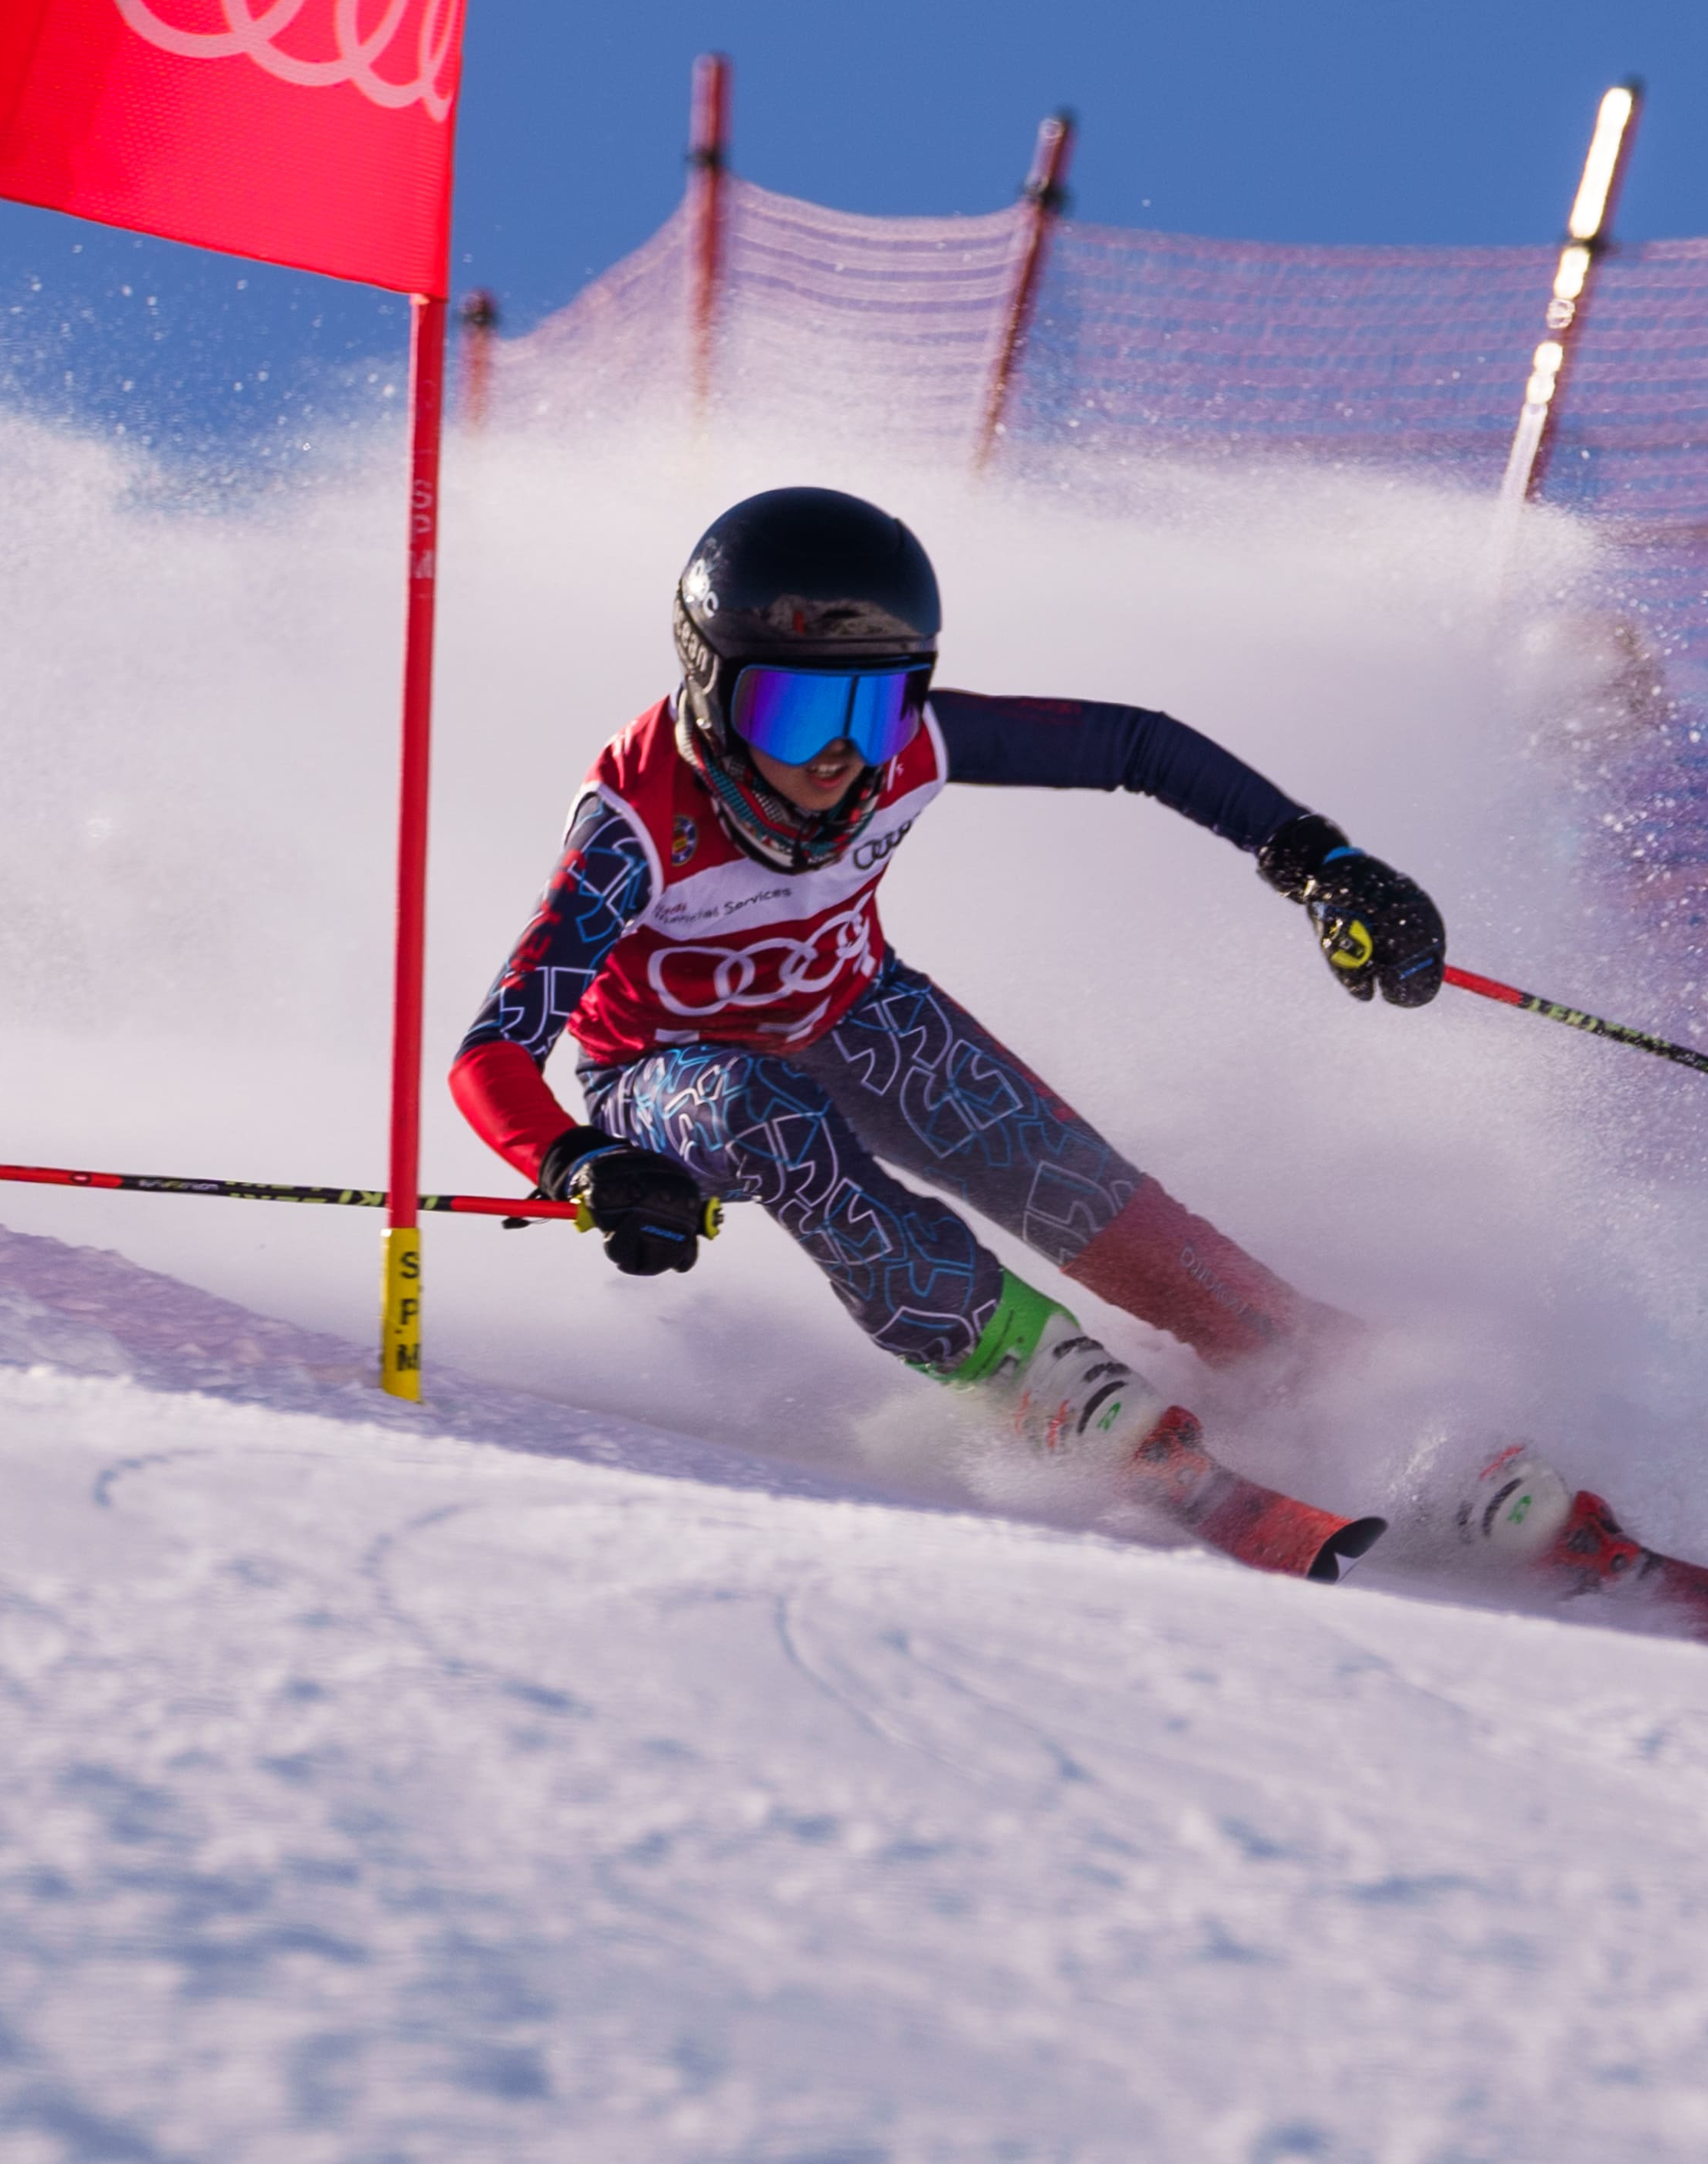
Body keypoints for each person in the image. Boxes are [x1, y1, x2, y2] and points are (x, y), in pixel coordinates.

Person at [446, 484, 1462, 1580]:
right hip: (664, 1079)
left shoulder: (920, 746)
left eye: (871, 711)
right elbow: (493, 1051)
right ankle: (1042, 1383)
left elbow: (1141, 746)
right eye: (795, 714)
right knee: (765, 1113)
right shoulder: (638, 824)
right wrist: (583, 1162)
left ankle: (1296, 1354)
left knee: (1027, 1149)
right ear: (708, 688)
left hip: (853, 1013)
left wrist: (1321, 861)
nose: (839, 760)